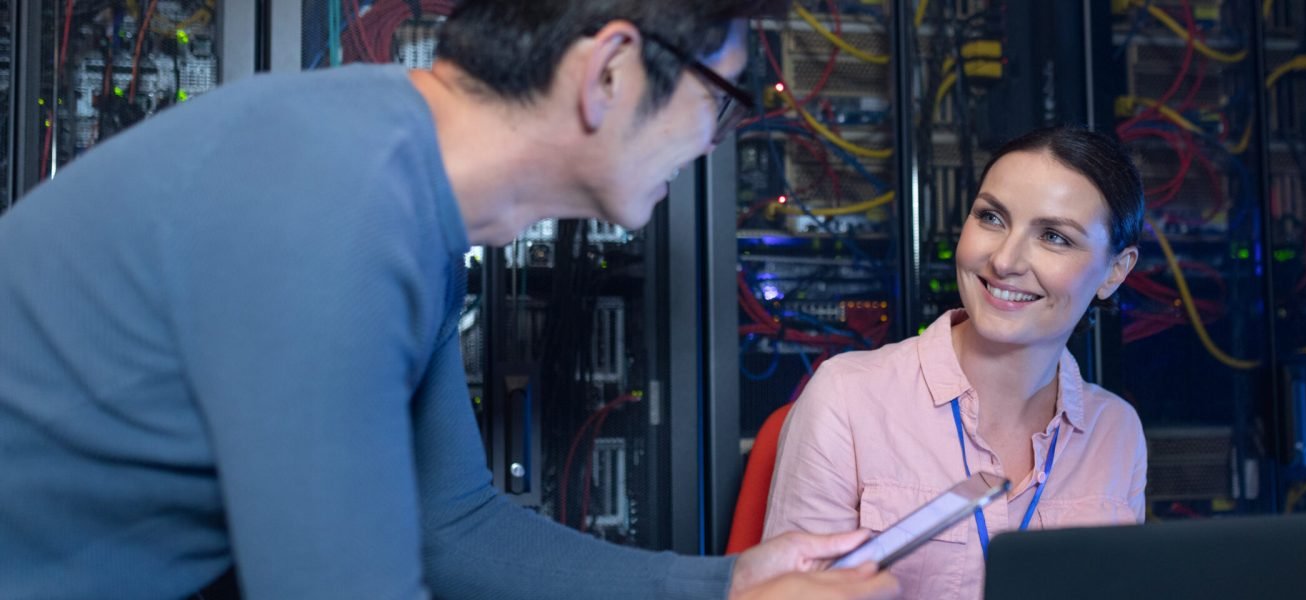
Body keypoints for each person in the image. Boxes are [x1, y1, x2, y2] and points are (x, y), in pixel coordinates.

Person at [0, 1, 897, 598]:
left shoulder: (391, 182)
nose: (713, 141)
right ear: (610, 74)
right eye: (721, 99)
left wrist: (726, 584)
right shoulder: (336, 198)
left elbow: (452, 525)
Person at [762, 125, 1149, 599]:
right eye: (991, 218)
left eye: (1053, 236)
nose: (1005, 260)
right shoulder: (846, 398)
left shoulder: (1118, 432)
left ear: (1115, 271)